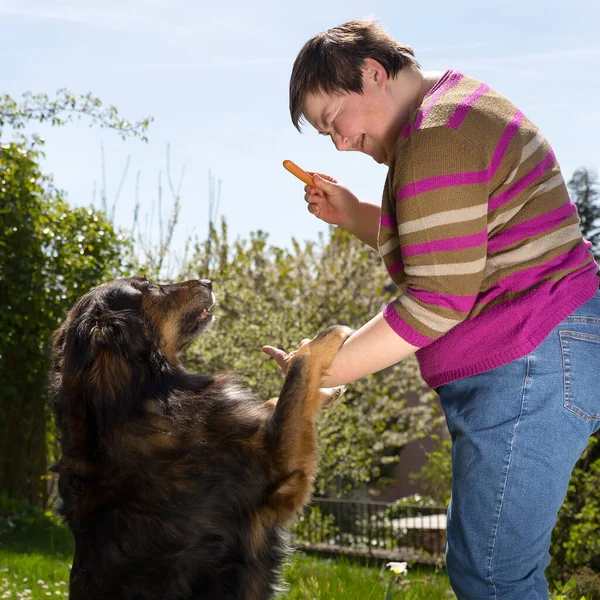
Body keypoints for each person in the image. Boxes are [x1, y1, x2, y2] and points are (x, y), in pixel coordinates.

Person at [261, 18, 600, 600]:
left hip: (530, 359)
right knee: (486, 566)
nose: (338, 143)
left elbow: (437, 302)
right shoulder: (451, 113)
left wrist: (316, 374)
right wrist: (352, 213)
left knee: (493, 576)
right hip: (543, 353)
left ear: (371, 74)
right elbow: (448, 251)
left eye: (331, 120)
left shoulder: (438, 135)